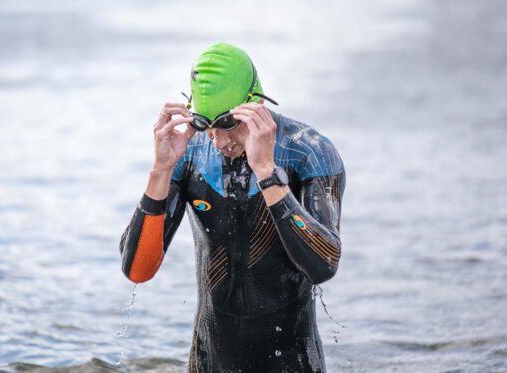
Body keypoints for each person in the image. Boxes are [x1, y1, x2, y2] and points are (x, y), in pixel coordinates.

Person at [119, 42, 346, 373]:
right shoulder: (191, 157)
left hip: (292, 363)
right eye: (205, 126)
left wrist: (268, 174)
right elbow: (138, 271)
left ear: (255, 105)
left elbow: (323, 265)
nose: (219, 141)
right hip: (209, 362)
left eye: (229, 124)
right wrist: (161, 170)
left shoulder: (309, 153)